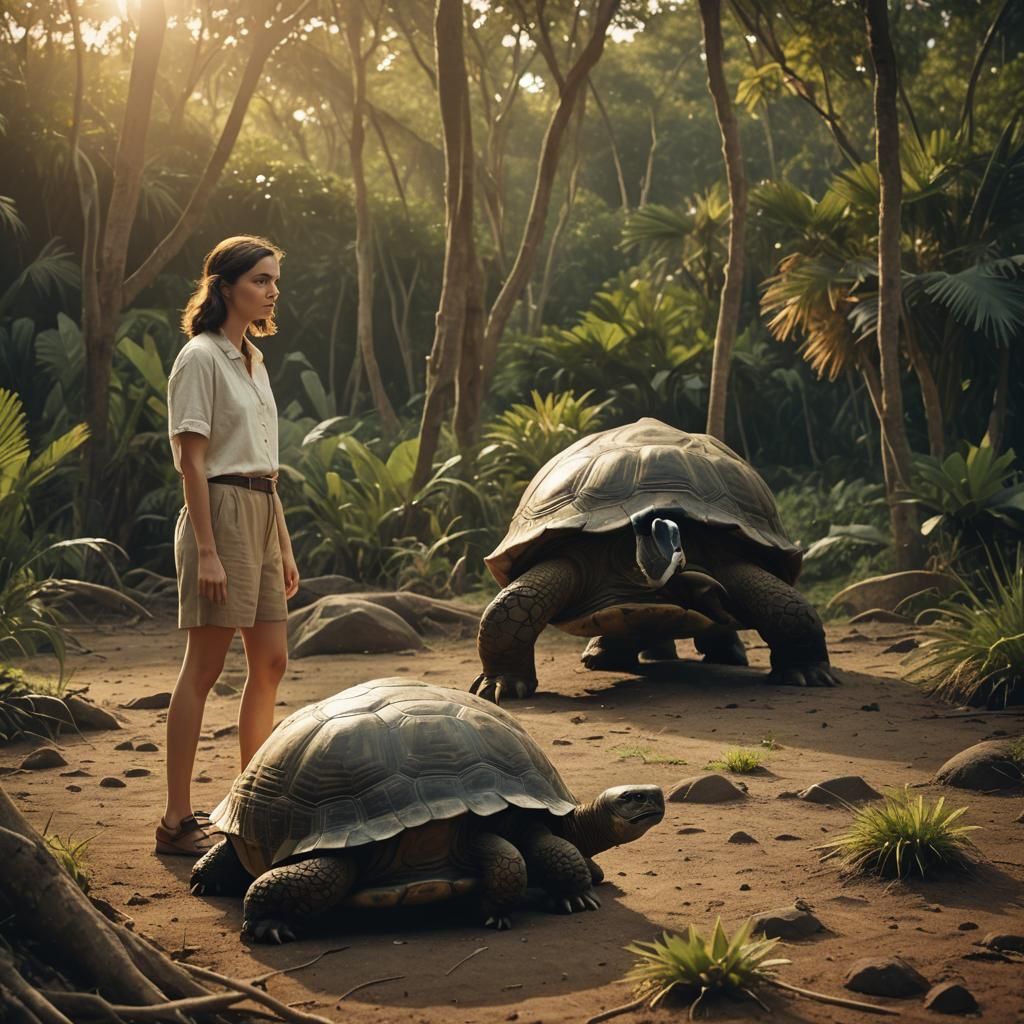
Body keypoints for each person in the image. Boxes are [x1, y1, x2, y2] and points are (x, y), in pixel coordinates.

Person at [155, 235, 300, 857]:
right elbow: (191, 461)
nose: (271, 291)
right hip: (218, 512)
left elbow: (265, 463)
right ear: (225, 287)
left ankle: (250, 804)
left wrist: (285, 544)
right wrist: (208, 550)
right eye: (260, 280)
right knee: (206, 666)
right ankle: (175, 820)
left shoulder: (253, 360)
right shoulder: (201, 357)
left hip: (264, 510)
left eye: (274, 280)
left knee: (271, 661)